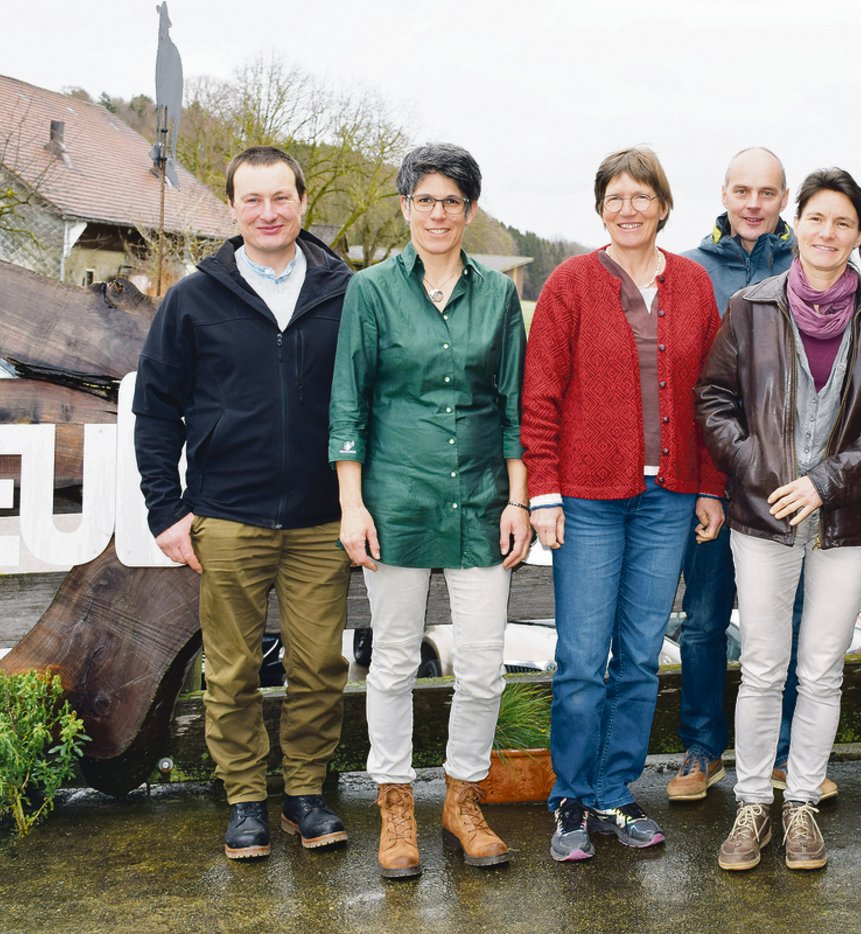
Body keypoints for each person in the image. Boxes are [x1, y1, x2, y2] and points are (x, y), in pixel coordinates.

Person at [697, 168, 861, 871]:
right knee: (764, 667)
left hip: (848, 523)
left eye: (843, 223)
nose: (828, 233)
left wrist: (824, 482)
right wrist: (763, 473)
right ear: (800, 223)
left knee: (822, 668)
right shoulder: (751, 308)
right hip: (761, 520)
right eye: (817, 218)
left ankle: (800, 805)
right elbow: (713, 400)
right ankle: (752, 806)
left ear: (860, 235)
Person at [134, 145, 352, 860]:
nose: (268, 212)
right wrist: (166, 509)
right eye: (252, 200)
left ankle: (307, 793)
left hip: (323, 518)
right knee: (231, 671)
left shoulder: (344, 292)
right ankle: (246, 799)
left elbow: (370, 402)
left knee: (320, 664)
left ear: (301, 202)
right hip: (226, 516)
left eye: (280, 198)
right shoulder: (193, 298)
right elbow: (157, 410)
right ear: (232, 208)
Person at [328, 143, 530, 878]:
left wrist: (518, 498)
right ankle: (394, 806)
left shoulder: (499, 296)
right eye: (425, 199)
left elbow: (513, 405)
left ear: (469, 211)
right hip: (397, 501)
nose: (438, 213)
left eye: (453, 201)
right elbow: (348, 403)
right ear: (405, 206)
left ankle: (462, 800)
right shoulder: (371, 291)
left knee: (481, 667)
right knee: (391, 662)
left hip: (481, 502)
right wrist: (352, 505)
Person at [522, 146, 727, 862]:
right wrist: (543, 492)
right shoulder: (571, 284)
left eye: (643, 196)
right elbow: (539, 395)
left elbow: (709, 398)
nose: (630, 208)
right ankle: (570, 799)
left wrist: (709, 486)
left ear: (664, 206)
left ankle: (615, 792)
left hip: (668, 499)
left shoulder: (696, 285)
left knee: (640, 656)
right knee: (581, 658)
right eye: (616, 197)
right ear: (600, 208)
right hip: (586, 499)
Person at [672, 147, 834, 803]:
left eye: (767, 193)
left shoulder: (810, 267)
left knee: (789, 621)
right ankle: (702, 749)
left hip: (790, 486)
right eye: (742, 190)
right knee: (706, 620)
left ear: (784, 198)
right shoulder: (689, 270)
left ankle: (785, 755)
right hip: (714, 478)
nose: (753, 203)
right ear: (724, 192)